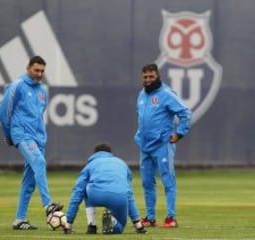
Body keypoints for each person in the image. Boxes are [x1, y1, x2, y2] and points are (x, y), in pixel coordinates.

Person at [0, 56, 63, 230]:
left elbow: (38, 116)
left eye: (42, 71)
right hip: (21, 135)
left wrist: (42, 137)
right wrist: (8, 135)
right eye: (36, 70)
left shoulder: (43, 90)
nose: (39, 74)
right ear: (28, 68)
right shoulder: (17, 85)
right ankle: (48, 204)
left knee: (29, 182)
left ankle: (19, 220)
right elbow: (3, 113)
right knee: (40, 162)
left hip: (38, 138)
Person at [134, 63, 192, 228]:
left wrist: (180, 133)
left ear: (158, 76)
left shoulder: (166, 94)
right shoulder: (141, 95)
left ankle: (171, 217)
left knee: (168, 181)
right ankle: (150, 217)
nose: (148, 80)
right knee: (147, 182)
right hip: (145, 146)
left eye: (151, 76)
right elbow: (142, 118)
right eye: (145, 77)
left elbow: (185, 112)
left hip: (163, 145)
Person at [63, 142, 147, 235]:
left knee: (86, 189)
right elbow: (129, 194)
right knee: (119, 228)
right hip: (118, 196)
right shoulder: (122, 163)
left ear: (94, 154)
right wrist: (138, 224)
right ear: (110, 153)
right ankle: (113, 222)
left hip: (95, 195)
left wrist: (68, 224)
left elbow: (77, 193)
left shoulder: (90, 165)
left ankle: (92, 226)